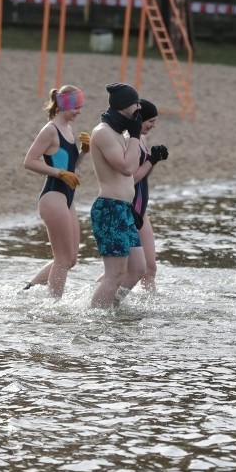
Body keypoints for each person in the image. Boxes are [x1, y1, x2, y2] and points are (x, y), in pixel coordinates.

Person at [22, 85, 90, 297]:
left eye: (80, 107)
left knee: (71, 260)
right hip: (52, 197)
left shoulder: (68, 130)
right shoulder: (50, 130)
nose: (79, 111)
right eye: (75, 107)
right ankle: (55, 306)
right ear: (63, 106)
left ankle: (29, 290)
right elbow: (29, 161)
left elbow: (70, 167)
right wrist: (59, 173)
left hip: (67, 199)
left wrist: (83, 152)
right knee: (62, 258)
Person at [88, 82, 147, 309]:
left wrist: (133, 136)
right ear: (124, 106)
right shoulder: (103, 132)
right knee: (115, 273)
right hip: (110, 208)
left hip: (123, 209)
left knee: (138, 268)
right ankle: (96, 316)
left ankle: (110, 306)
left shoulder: (118, 133)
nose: (139, 107)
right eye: (136, 103)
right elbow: (126, 167)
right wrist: (134, 135)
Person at [129, 99, 168, 291]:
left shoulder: (142, 139)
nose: (154, 125)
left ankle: (150, 310)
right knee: (123, 269)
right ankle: (97, 300)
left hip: (141, 209)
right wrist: (151, 160)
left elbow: (145, 174)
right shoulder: (130, 141)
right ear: (139, 119)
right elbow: (131, 179)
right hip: (128, 208)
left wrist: (154, 160)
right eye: (150, 121)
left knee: (150, 268)